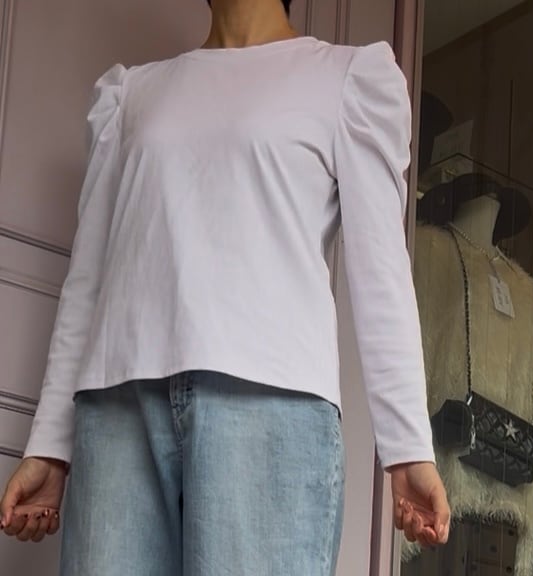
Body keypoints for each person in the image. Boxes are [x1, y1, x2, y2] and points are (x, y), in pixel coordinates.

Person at [0, 0, 450, 574]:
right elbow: (88, 278)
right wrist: (50, 444)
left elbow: (380, 268)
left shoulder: (345, 79)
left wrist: (408, 448)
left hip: (268, 412)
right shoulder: (131, 93)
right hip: (118, 412)